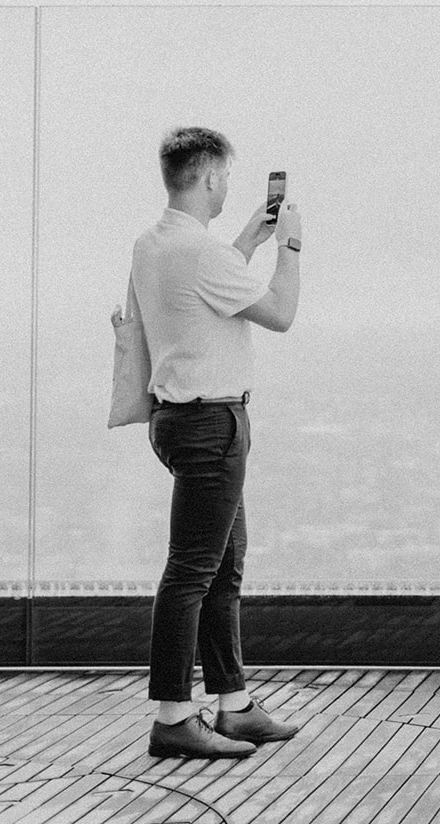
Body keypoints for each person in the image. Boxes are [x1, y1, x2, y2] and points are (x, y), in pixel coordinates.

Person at [132, 126, 304, 759]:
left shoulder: (155, 245)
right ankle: (174, 718)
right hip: (212, 427)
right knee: (193, 571)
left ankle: (232, 706)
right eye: (227, 176)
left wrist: (246, 242)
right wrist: (288, 244)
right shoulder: (201, 255)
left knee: (222, 566)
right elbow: (280, 312)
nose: (230, 185)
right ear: (207, 177)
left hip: (179, 420)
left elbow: (198, 294)